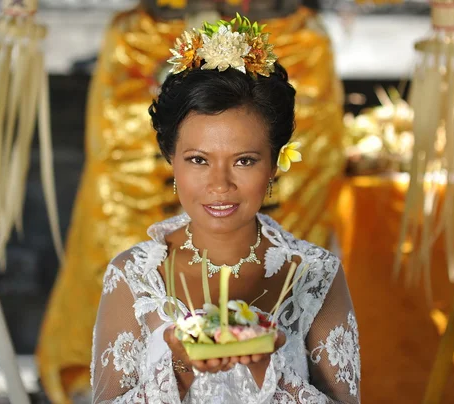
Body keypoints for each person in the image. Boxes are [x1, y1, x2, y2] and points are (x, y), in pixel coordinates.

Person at [90, 16, 360, 403]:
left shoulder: (314, 275)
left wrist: (266, 367)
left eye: (245, 161)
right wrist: (181, 370)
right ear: (171, 159)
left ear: (274, 164)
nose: (220, 185)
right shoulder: (134, 277)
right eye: (199, 160)